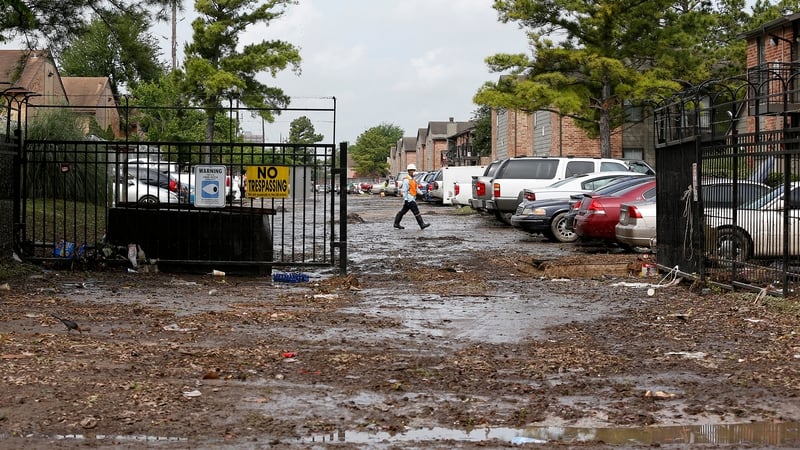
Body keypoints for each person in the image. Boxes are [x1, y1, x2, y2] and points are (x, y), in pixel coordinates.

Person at [394, 163, 430, 230]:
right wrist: (406, 199)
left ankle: (396, 223)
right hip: (409, 199)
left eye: (414, 170)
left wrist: (422, 194)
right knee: (416, 212)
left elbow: (416, 189)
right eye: (412, 170)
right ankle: (422, 224)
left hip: (412, 198)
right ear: (409, 171)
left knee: (402, 212)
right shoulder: (406, 180)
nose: (413, 172)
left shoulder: (413, 180)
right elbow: (404, 190)